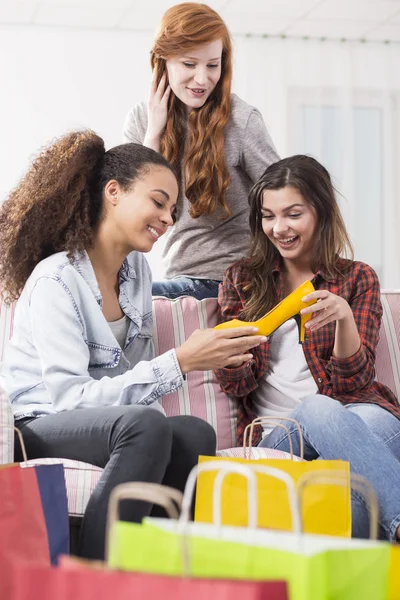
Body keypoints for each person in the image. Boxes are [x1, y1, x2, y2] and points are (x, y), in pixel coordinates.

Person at [0, 131, 266, 560]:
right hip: (41, 423)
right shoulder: (56, 279)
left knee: (192, 430)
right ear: (114, 193)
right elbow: (70, 399)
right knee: (145, 425)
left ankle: (155, 569)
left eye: (172, 210)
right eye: (158, 202)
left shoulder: (137, 271)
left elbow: (133, 377)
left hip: (109, 422)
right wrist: (181, 360)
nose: (167, 218)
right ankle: (93, 577)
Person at [215, 155, 400, 541]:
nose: (278, 228)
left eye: (292, 214)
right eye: (268, 216)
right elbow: (235, 384)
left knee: (358, 465)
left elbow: (353, 387)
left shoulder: (356, 277)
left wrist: (345, 319)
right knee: (318, 409)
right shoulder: (243, 279)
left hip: (355, 417)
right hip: (282, 434)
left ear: (320, 211)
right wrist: (239, 341)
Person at [123, 2, 279, 300]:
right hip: (179, 276)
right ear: (162, 62)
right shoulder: (141, 120)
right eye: (189, 64)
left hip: (234, 281)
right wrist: (154, 131)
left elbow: (286, 200)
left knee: (126, 302)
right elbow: (131, 207)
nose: (203, 79)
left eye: (212, 65)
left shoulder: (241, 120)